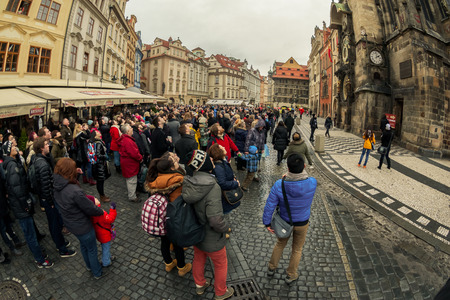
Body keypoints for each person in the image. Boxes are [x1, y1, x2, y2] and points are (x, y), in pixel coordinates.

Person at [182, 150, 234, 299]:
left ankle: (200, 285)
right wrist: (226, 228)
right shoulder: (212, 187)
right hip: (212, 236)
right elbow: (215, 220)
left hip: (196, 232)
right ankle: (221, 292)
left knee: (198, 257)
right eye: (207, 159)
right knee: (220, 263)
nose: (211, 159)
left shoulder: (188, 181)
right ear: (204, 164)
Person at [262, 154, 317, 284]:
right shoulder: (312, 183)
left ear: (287, 167)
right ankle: (291, 274)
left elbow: (270, 205)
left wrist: (267, 222)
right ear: (304, 166)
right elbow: (306, 178)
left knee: (280, 244)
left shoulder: (279, 184)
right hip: (303, 222)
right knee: (297, 249)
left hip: (284, 222)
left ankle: (271, 268)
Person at [1, 141, 54, 268]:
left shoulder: (12, 163)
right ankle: (40, 260)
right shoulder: (12, 166)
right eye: (13, 147)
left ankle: (39, 253)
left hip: (20, 205)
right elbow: (17, 189)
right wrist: (26, 204)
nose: (16, 147)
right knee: (29, 234)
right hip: (21, 207)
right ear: (8, 151)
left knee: (30, 232)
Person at [53, 158, 105, 279]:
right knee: (92, 249)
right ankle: (97, 272)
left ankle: (89, 266)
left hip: (71, 223)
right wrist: (100, 211)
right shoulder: (74, 191)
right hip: (82, 226)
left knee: (83, 245)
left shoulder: (57, 184)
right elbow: (89, 208)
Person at [145, 152, 192, 277]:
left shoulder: (155, 178)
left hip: (161, 215)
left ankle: (168, 263)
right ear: (171, 168)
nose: (177, 162)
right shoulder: (177, 179)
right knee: (177, 243)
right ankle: (182, 267)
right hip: (175, 214)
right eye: (175, 162)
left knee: (164, 241)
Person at [32, 137, 76, 258]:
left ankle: (60, 242)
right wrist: (51, 202)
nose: (48, 146)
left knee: (55, 222)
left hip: (48, 199)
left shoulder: (40, 159)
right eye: (46, 145)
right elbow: (46, 186)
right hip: (49, 200)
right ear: (41, 148)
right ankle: (62, 249)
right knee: (55, 224)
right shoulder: (42, 165)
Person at [207, 144, 240, 214]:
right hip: (224, 198)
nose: (224, 147)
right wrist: (235, 183)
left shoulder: (223, 162)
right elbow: (222, 183)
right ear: (218, 151)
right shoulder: (218, 167)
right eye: (222, 147)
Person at [87, 195, 117, 268]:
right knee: (106, 248)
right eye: (95, 199)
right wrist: (112, 210)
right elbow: (110, 219)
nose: (96, 198)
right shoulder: (100, 213)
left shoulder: (91, 213)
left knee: (105, 247)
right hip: (105, 234)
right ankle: (106, 262)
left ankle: (108, 257)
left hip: (99, 234)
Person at [118, 124, 143, 202]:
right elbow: (134, 153)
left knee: (130, 179)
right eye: (130, 128)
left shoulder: (125, 139)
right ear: (128, 131)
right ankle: (132, 196)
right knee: (131, 180)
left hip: (127, 163)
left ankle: (132, 193)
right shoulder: (128, 141)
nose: (132, 129)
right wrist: (140, 158)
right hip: (130, 164)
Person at [91, 131, 111, 202]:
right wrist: (105, 157)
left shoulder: (97, 142)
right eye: (98, 132)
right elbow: (98, 155)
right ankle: (102, 196)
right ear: (96, 135)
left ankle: (102, 195)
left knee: (100, 181)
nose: (100, 132)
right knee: (100, 182)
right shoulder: (98, 143)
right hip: (99, 165)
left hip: (98, 165)